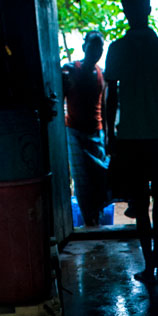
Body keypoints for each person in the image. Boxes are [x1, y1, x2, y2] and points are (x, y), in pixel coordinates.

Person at [105, 0, 158, 283]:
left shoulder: (117, 49)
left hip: (131, 138)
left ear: (125, 9)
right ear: (148, 8)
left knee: (140, 205)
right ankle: (157, 254)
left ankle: (149, 261)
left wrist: (109, 133)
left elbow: (110, 96)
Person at [62, 31, 109, 227]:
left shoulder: (101, 73)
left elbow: (104, 105)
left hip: (96, 132)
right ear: (84, 48)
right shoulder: (71, 69)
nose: (96, 51)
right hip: (74, 131)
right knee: (82, 181)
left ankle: (95, 218)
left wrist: (106, 134)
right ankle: (90, 221)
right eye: (92, 47)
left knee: (99, 178)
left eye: (99, 48)